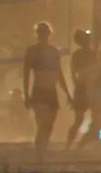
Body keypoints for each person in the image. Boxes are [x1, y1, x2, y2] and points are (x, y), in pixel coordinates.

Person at [23, 21, 68, 159]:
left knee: (49, 125)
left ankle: (42, 150)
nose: (43, 36)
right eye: (41, 33)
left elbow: (59, 73)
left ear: (49, 34)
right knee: (42, 123)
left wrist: (67, 93)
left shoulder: (54, 51)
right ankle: (39, 153)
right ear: (37, 34)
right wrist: (27, 95)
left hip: (51, 91)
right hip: (39, 91)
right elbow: (26, 73)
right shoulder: (32, 51)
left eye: (46, 33)